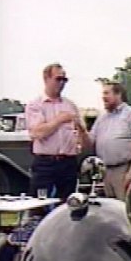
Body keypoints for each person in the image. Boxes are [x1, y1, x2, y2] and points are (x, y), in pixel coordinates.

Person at [78, 81, 131, 200]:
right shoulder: (102, 118)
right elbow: (90, 144)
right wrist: (82, 130)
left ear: (118, 94)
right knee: (111, 210)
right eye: (103, 93)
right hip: (105, 172)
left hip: (123, 170)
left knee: (125, 208)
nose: (103, 97)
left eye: (107, 93)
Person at [25, 63, 84, 201]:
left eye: (65, 80)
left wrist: (81, 135)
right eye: (58, 79)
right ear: (46, 78)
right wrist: (59, 120)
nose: (62, 83)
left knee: (67, 204)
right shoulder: (35, 105)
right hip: (46, 162)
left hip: (68, 162)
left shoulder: (70, 105)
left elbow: (80, 133)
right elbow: (37, 133)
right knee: (39, 203)